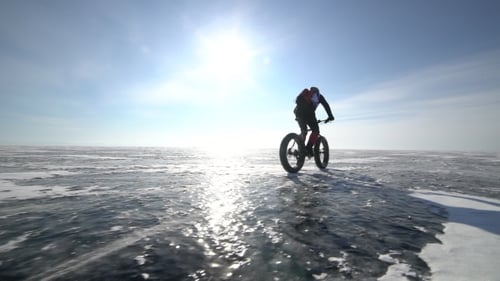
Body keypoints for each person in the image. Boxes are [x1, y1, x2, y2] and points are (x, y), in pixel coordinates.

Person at [294, 86, 335, 157]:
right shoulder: (319, 97)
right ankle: (308, 148)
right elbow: (326, 105)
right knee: (315, 131)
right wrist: (330, 116)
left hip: (297, 112)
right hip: (309, 113)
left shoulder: (304, 95)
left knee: (304, 131)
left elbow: (297, 104)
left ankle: (301, 149)